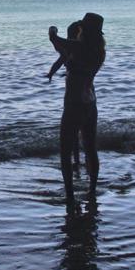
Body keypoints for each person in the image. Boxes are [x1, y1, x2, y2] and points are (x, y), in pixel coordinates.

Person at [49, 13, 106, 201]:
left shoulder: (79, 47)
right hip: (91, 102)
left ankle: (70, 194)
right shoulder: (99, 51)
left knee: (65, 151)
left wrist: (53, 30)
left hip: (74, 104)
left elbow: (55, 40)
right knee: (91, 148)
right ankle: (92, 190)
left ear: (84, 30)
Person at [47, 20, 83, 170]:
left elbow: (53, 36)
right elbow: (61, 60)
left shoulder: (75, 48)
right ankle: (78, 160)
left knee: (69, 133)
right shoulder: (91, 50)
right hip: (87, 95)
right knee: (82, 131)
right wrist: (51, 73)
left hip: (74, 97)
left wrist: (53, 30)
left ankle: (74, 162)